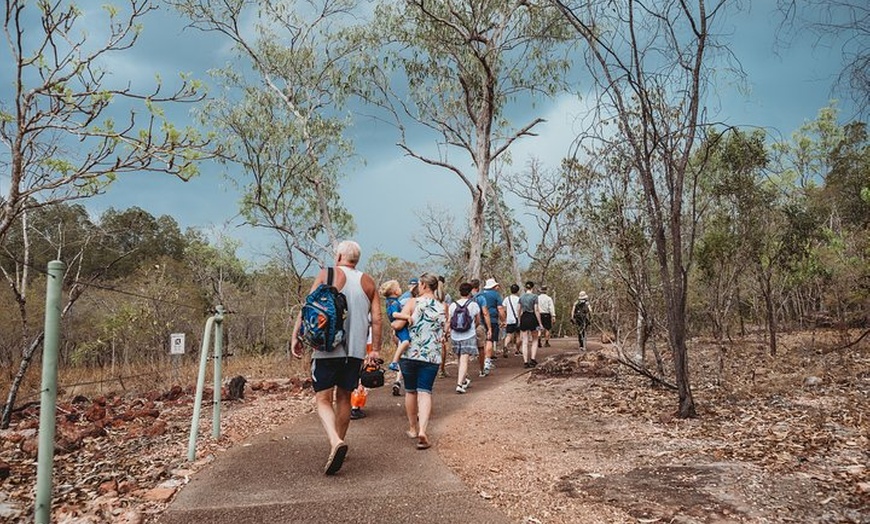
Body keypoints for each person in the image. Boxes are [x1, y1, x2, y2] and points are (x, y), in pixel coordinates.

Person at [291, 240, 382, 475]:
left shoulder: (327, 274)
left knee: (322, 398)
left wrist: (296, 336)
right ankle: (338, 442)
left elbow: (308, 307)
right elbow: (378, 318)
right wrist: (375, 350)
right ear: (357, 259)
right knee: (344, 398)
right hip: (355, 350)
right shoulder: (368, 281)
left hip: (326, 348)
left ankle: (334, 441)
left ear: (339, 255)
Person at [391, 273, 444, 450]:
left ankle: (413, 428)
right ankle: (423, 429)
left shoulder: (413, 302)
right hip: (432, 356)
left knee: (411, 392)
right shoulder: (443, 306)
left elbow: (398, 325)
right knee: (425, 392)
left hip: (410, 353)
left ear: (422, 285)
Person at [446, 282, 480, 394]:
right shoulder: (473, 305)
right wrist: (474, 327)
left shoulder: (453, 305)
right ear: (470, 292)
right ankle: (459, 384)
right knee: (465, 359)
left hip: (455, 335)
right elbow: (478, 320)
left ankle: (464, 380)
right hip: (468, 334)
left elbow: (449, 321)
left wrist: (446, 333)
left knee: (459, 359)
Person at [380, 280, 410, 396]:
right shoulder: (392, 302)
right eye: (398, 287)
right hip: (399, 326)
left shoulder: (393, 301)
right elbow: (394, 314)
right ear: (394, 291)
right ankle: (394, 361)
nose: (400, 289)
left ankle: (396, 363)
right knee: (405, 342)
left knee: (405, 343)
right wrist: (406, 316)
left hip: (398, 326)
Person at [478, 278, 504, 371]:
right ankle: (487, 362)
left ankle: (483, 359)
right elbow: (500, 309)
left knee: (482, 342)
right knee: (490, 340)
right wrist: (503, 320)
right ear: (493, 286)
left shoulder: (479, 295)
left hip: (479, 322)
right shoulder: (496, 295)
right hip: (492, 320)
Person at [469, 279, 492, 377]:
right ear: (478, 287)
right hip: (479, 325)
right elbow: (485, 313)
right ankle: (481, 369)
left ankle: (465, 373)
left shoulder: (467, 298)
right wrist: (489, 327)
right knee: (481, 347)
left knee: (466, 350)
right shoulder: (481, 298)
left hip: (467, 327)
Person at [518, 281, 543, 368]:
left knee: (524, 341)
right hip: (532, 318)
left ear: (525, 288)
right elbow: (536, 310)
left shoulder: (521, 297)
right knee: (535, 339)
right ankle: (532, 359)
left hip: (524, 318)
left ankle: (525, 362)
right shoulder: (535, 297)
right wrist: (540, 323)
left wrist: (519, 319)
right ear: (532, 288)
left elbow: (519, 309)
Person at [501, 283, 521, 357]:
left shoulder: (507, 299)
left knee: (509, 335)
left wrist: (505, 317)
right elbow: (520, 310)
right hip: (517, 320)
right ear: (517, 291)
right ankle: (517, 350)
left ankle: (505, 345)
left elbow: (503, 308)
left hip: (509, 319)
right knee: (518, 335)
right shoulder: (519, 299)